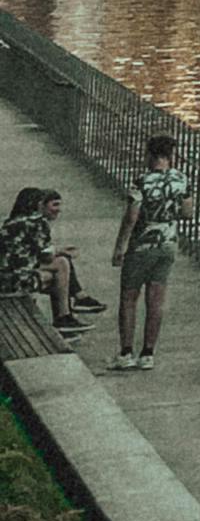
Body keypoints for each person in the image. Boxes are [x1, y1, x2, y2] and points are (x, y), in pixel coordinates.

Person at [110, 132, 188, 371]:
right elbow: (187, 212)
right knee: (156, 300)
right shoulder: (181, 179)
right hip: (168, 244)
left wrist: (120, 246)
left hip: (142, 246)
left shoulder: (141, 181)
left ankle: (126, 352)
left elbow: (132, 216)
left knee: (129, 298)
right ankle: (148, 353)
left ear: (150, 154)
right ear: (171, 155)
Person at [0, 184, 100, 340]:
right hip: (16, 281)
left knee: (61, 266)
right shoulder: (36, 222)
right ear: (37, 204)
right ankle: (65, 317)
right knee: (61, 268)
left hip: (5, 275)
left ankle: (71, 309)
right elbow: (46, 256)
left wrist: (59, 251)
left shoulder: (11, 222)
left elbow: (25, 254)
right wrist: (61, 252)